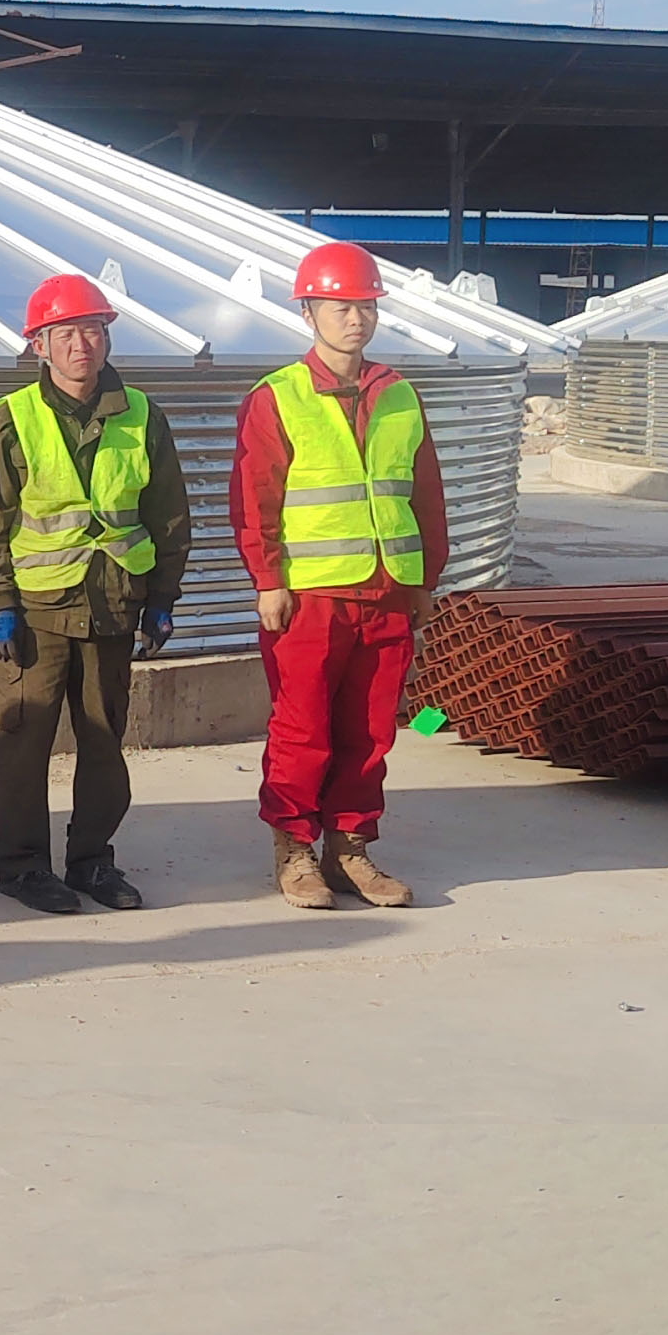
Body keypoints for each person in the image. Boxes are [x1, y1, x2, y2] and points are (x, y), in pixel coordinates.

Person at [0, 273, 193, 914]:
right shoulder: (12, 420)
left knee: (102, 741)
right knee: (23, 739)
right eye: (65, 333)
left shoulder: (143, 416)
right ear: (39, 344)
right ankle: (23, 868)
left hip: (113, 605)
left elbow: (169, 514)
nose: (81, 345)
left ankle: (92, 863)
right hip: (36, 611)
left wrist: (163, 599)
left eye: (92, 330)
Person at [231, 241, 449, 910]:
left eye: (364, 307)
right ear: (309, 311)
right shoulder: (279, 398)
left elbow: (425, 496)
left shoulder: (399, 395)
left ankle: (350, 847)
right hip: (312, 598)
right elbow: (253, 497)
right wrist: (268, 580)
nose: (355, 319)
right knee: (303, 731)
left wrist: (424, 583)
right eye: (340, 307)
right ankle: (294, 850)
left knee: (372, 730)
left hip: (387, 594)